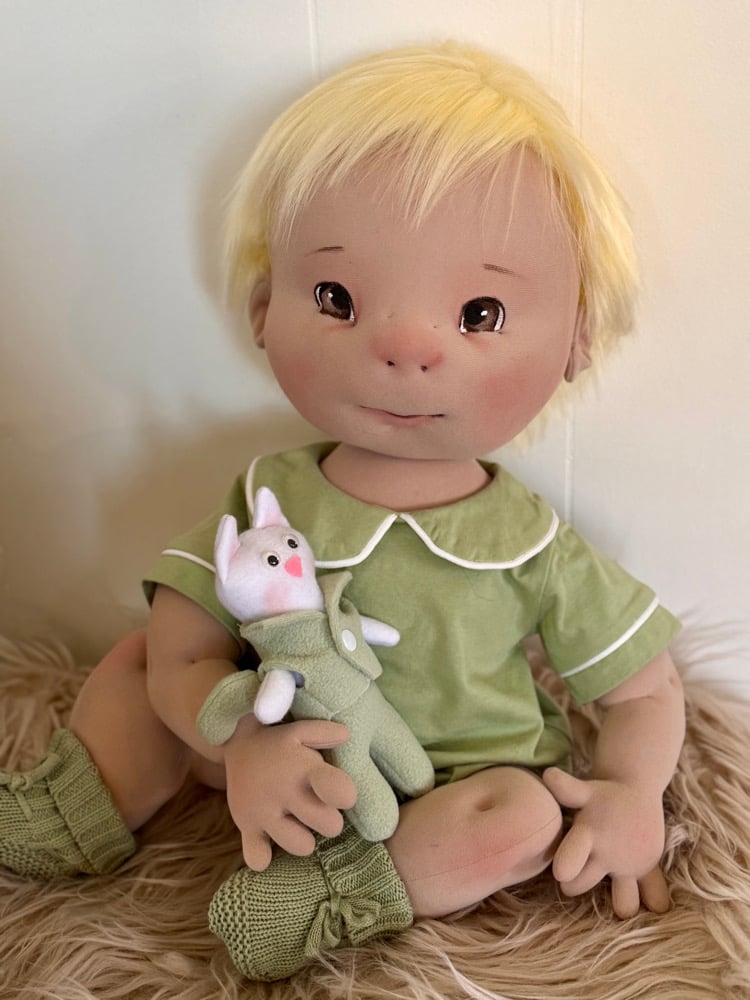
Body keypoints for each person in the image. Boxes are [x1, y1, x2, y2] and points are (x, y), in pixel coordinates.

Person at [0, 42, 685, 981]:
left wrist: (633, 792)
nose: (405, 347)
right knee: (132, 664)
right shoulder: (270, 494)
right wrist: (242, 739)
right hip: (276, 754)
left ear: (577, 341)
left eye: (479, 314)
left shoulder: (531, 541)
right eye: (337, 297)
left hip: (444, 789)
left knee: (521, 819)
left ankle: (338, 891)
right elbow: (184, 643)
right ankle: (79, 811)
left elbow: (643, 690)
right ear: (263, 307)